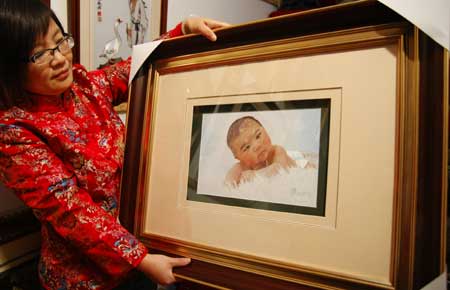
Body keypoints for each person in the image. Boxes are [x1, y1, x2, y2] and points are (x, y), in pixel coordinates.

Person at [0, 1, 228, 289]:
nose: (58, 59)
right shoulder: (13, 131)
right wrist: (141, 259)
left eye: (60, 42)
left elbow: (133, 68)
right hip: (84, 277)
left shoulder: (84, 85)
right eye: (39, 54)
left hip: (140, 248)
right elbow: (71, 210)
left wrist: (183, 30)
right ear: (10, 65)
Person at [225, 116, 316, 187]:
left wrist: (255, 175)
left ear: (265, 130)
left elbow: (279, 169)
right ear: (238, 157)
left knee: (311, 168)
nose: (257, 146)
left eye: (258, 136)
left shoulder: (277, 151)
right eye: (247, 147)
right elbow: (227, 185)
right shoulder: (241, 167)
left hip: (295, 162)